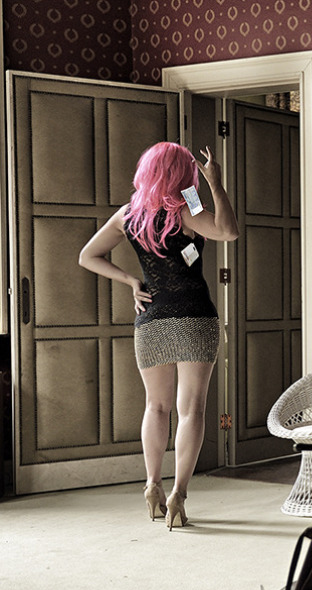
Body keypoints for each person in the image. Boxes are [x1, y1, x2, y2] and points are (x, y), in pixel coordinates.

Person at [79, 142, 239, 531]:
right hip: (195, 317)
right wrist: (215, 183)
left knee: (156, 407)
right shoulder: (186, 210)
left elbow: (88, 256)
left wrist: (131, 281)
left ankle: (152, 485)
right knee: (192, 410)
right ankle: (178, 495)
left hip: (151, 320)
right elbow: (228, 231)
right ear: (182, 174)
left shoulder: (128, 214)